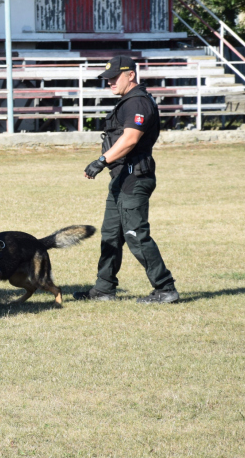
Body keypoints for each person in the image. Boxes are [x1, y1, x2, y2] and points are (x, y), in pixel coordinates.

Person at [73, 56, 179, 304]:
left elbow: (130, 139)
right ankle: (103, 289)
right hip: (121, 176)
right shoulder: (129, 101)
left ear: (131, 74)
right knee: (110, 235)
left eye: (114, 77)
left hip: (134, 177)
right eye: (107, 78)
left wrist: (101, 161)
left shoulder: (138, 103)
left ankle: (165, 288)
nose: (109, 82)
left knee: (135, 234)